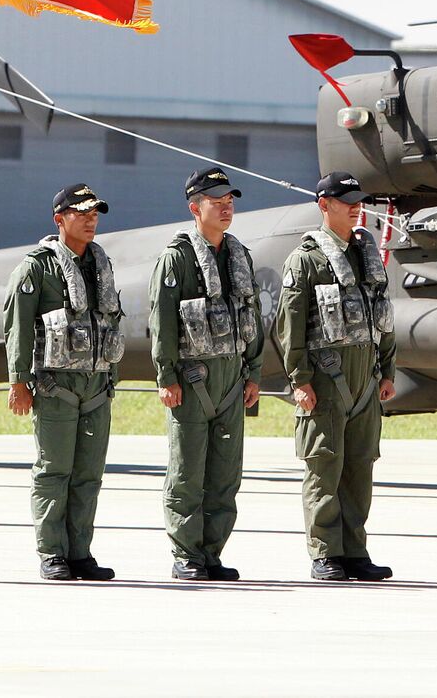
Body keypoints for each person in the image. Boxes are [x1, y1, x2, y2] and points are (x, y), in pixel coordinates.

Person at [277, 171, 397, 582]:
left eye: (358, 199)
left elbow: (384, 318)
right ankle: (325, 553)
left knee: (359, 468)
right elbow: (289, 327)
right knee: (324, 467)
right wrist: (299, 379)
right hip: (326, 381)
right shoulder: (305, 260)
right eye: (346, 200)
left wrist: (388, 369)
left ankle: (355, 552)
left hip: (366, 379)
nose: (355, 206)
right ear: (324, 205)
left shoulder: (366, 254)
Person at [4, 184, 125, 582]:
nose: (91, 219)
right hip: (56, 385)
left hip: (95, 386)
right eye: (82, 212)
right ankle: (52, 553)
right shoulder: (37, 267)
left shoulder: (99, 264)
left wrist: (110, 376)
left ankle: (79, 553)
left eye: (95, 213)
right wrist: (19, 381)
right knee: (54, 471)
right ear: (60, 219)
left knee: (88, 474)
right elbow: (18, 328)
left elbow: (110, 321)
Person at [150, 167, 263, 581]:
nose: (226, 207)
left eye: (229, 200)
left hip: (233, 381)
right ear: (195, 208)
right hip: (192, 380)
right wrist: (166, 377)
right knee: (187, 471)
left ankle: (212, 553)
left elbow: (252, 315)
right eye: (217, 201)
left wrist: (254, 371)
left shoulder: (239, 255)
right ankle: (186, 554)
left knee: (224, 473)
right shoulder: (176, 258)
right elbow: (162, 322)